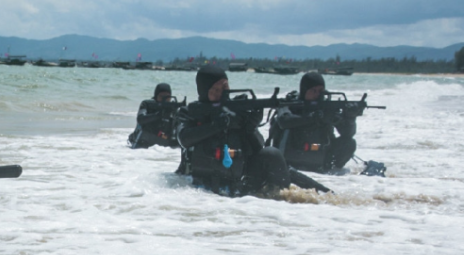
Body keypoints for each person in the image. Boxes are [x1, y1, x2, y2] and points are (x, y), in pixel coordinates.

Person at [174, 64, 290, 196]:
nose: (222, 93)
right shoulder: (189, 112)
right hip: (199, 188)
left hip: (239, 186)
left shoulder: (236, 110)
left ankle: (286, 200)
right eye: (216, 89)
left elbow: (258, 148)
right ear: (204, 91)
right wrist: (216, 126)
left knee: (272, 154)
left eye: (225, 87)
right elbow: (184, 139)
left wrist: (250, 128)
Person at [268, 71, 358, 172]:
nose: (317, 94)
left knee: (349, 143)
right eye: (313, 90)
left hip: (320, 162)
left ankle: (332, 171)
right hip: (290, 162)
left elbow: (347, 133)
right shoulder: (289, 104)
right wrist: (314, 117)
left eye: (320, 91)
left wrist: (350, 118)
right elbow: (284, 121)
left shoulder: (327, 107)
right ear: (304, 90)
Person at [128, 83, 180, 149]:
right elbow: (141, 119)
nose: (164, 99)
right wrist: (158, 115)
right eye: (161, 97)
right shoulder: (147, 104)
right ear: (156, 96)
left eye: (167, 97)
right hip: (144, 139)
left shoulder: (173, 108)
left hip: (162, 137)